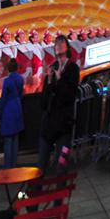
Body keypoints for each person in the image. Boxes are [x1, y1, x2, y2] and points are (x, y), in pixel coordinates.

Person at [38, 35, 79, 173]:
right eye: (56, 43)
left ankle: (61, 192)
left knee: (62, 163)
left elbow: (69, 97)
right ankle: (36, 192)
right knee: (41, 165)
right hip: (48, 124)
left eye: (62, 42)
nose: (59, 45)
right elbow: (43, 101)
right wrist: (50, 81)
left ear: (67, 47)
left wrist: (60, 80)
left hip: (64, 125)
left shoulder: (73, 68)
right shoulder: (51, 69)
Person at [0, 57, 25, 169]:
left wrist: (0, 114)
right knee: (15, 139)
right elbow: (21, 94)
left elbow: (3, 99)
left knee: (8, 140)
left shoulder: (7, 81)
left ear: (8, 69)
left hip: (8, 110)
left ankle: (7, 168)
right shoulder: (20, 78)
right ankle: (14, 166)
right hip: (18, 108)